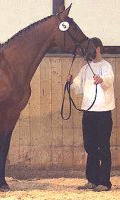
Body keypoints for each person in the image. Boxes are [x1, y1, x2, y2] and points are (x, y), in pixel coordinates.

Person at [67, 37, 115, 192]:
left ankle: (104, 182)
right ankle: (92, 180)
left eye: (92, 48)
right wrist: (70, 82)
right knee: (90, 146)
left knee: (103, 147)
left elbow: (109, 81)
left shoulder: (107, 66)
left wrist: (101, 80)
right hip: (88, 112)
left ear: (98, 48)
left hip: (103, 112)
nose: (89, 52)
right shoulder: (85, 68)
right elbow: (77, 85)